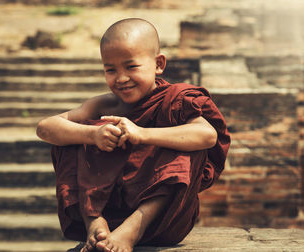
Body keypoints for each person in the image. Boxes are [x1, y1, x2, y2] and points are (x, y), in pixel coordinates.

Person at [36, 18, 230, 252]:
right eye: (110, 70)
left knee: (185, 144)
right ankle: (94, 222)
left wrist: (143, 134)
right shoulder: (104, 105)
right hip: (109, 208)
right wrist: (93, 134)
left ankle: (131, 230)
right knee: (69, 139)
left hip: (162, 218)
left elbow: (207, 136)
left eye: (131, 66)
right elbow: (45, 127)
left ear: (158, 64)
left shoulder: (175, 101)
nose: (121, 78)